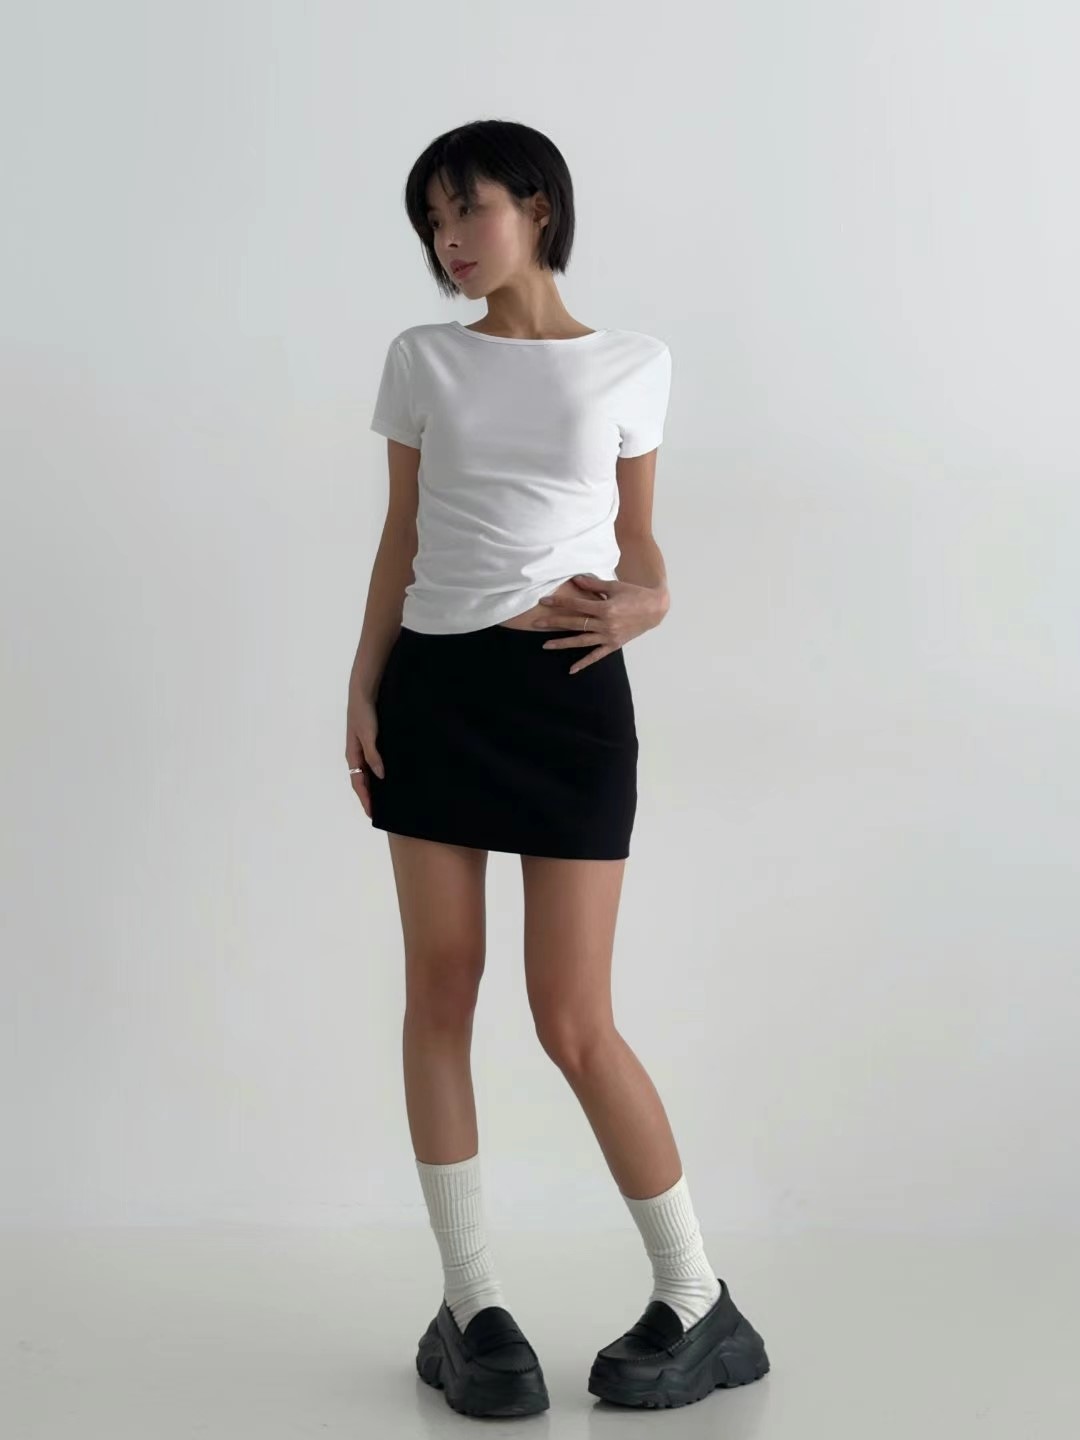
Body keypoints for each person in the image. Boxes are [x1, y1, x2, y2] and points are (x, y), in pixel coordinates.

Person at [345, 119, 769, 1418]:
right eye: (431, 223)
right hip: (435, 690)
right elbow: (402, 533)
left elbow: (640, 544)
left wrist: (656, 598)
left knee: (573, 1019)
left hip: (570, 693)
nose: (448, 241)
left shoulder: (635, 362)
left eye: (464, 209)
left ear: (534, 204)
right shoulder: (423, 358)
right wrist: (361, 686)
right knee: (440, 992)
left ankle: (698, 1297)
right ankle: (471, 1306)